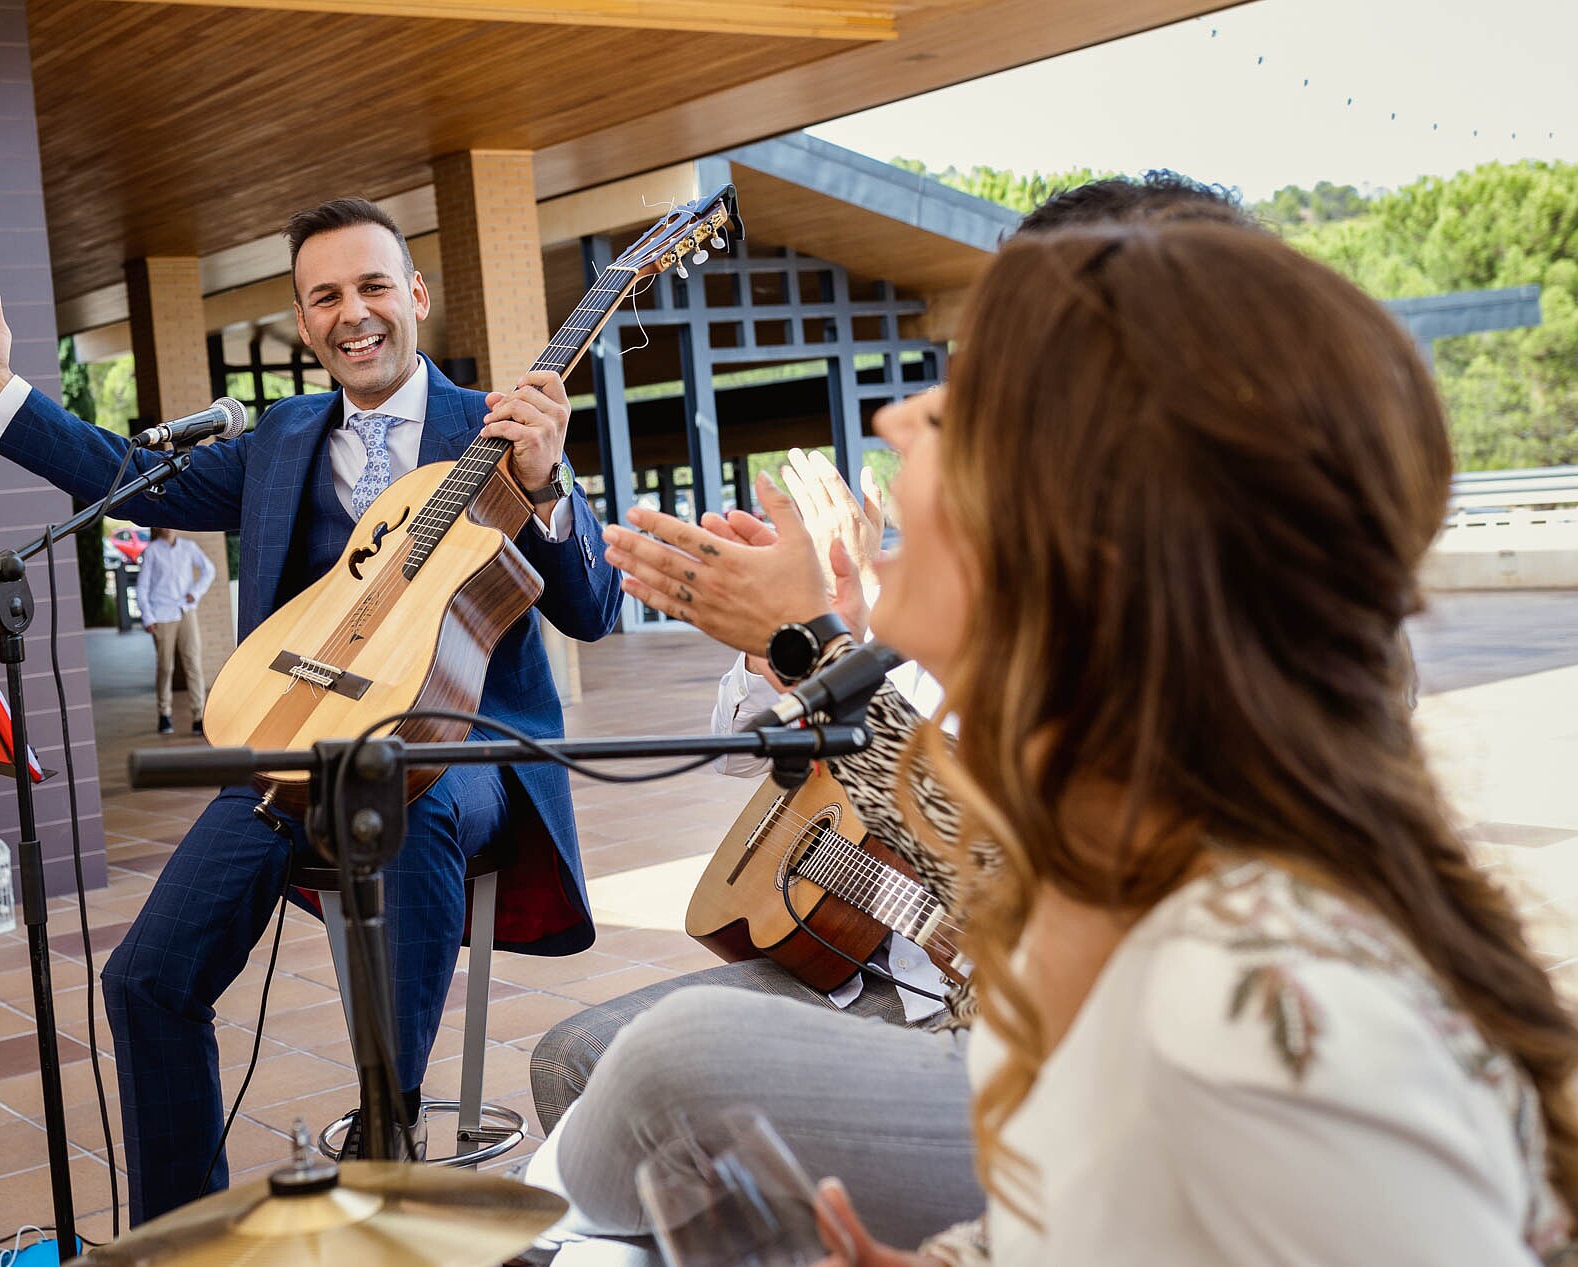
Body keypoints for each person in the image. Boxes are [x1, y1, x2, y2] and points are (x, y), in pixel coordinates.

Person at [802, 221, 1578, 1261]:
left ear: (1088, 541)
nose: (897, 419)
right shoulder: (1113, 870)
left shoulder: (1252, 1017)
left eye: (953, 411)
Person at [530, 176, 1258, 1259]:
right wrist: (814, 634)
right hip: (992, 1028)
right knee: (590, 1065)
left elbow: (1019, 894)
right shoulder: (1077, 593)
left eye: (996, 390)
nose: (916, 423)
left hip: (1099, 1080)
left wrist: (814, 639)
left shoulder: (1213, 627)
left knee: (672, 1067)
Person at [0, 195, 621, 1223]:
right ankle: (179, 1232)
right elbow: (128, 477)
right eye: (324, 297)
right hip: (293, 749)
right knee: (145, 979)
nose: (352, 313)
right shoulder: (283, 437)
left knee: (404, 798)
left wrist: (546, 486)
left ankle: (386, 1119)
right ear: (302, 319)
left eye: (372, 285)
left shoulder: (495, 428)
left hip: (466, 756)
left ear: (414, 294)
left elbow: (594, 609)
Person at [134, 525, 216, 734]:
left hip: (186, 611)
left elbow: (209, 570)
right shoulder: (152, 552)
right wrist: (148, 617)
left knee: (193, 664)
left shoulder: (189, 547)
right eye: (161, 524)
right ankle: (164, 715)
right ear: (156, 527)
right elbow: (142, 587)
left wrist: (195, 593)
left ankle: (199, 717)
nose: (167, 527)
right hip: (162, 616)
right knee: (165, 667)